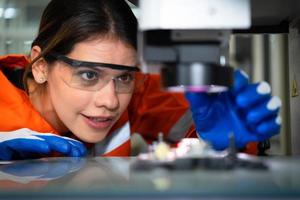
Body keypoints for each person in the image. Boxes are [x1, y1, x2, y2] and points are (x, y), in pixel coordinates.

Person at [0, 0, 281, 160]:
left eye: (124, 76)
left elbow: (202, 129)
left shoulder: (136, 93)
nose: (110, 101)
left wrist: (223, 142)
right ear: (40, 66)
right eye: (88, 74)